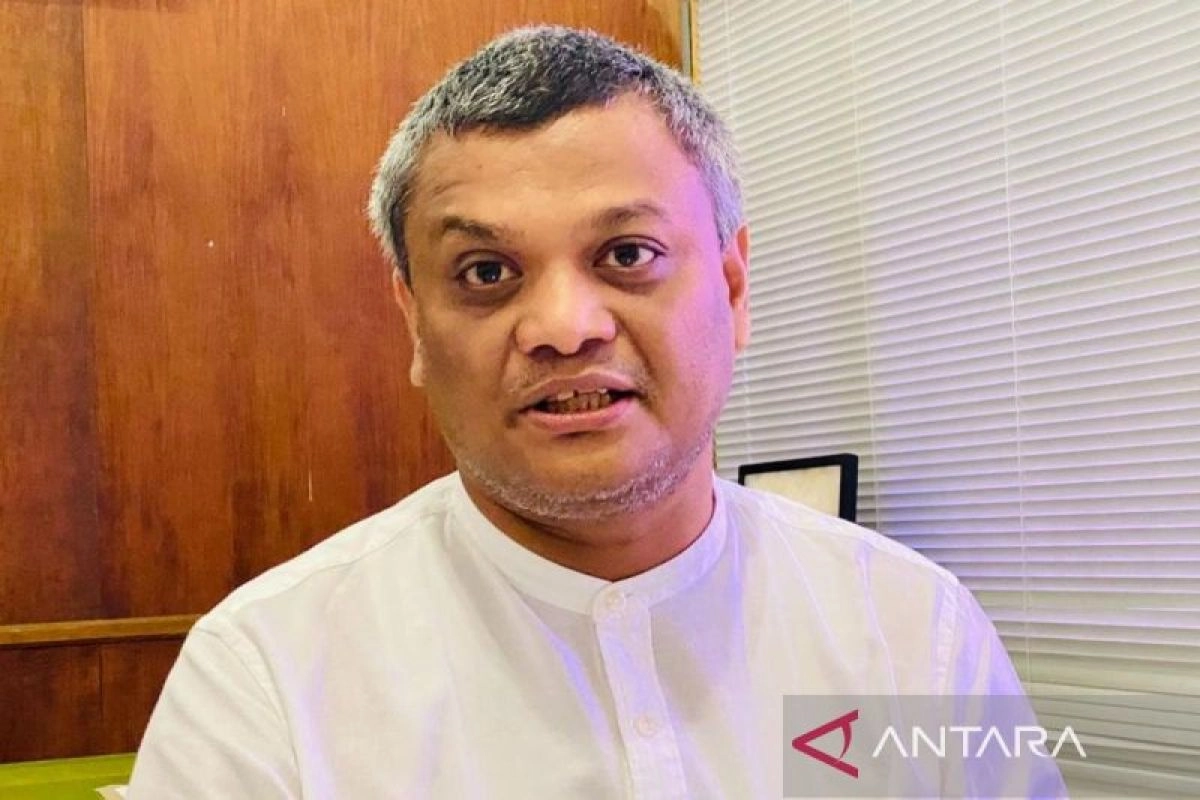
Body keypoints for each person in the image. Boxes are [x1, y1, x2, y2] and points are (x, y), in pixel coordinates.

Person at [128, 26, 1065, 798]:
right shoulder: (267, 681)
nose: (564, 328)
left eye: (627, 255)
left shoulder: (909, 626)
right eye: (486, 272)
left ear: (734, 288)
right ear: (414, 322)